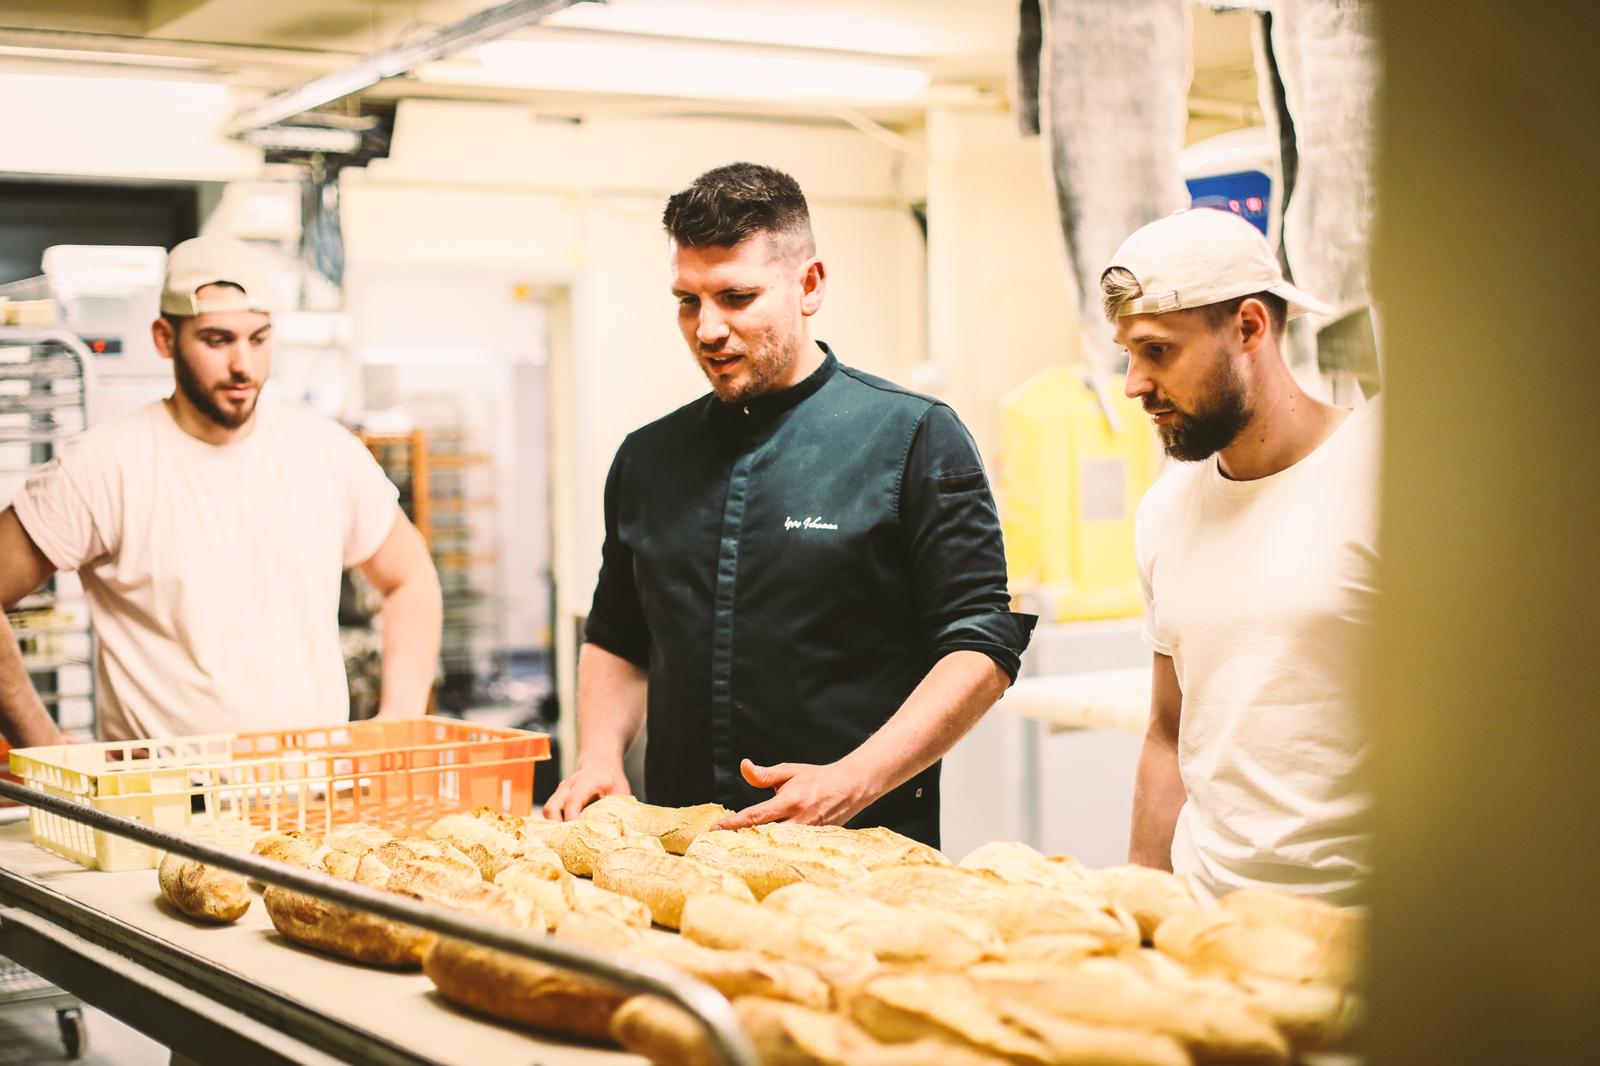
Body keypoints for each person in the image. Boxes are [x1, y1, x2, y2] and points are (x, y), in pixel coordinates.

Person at [543, 162, 1034, 846]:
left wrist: (853, 780)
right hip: (678, 850)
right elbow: (618, 640)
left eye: (737, 297)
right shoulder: (648, 458)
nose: (707, 329)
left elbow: (980, 645)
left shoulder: (914, 437)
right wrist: (599, 757)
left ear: (809, 285)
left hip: (862, 852)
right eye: (689, 301)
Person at [0, 236, 441, 746]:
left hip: (313, 804)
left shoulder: (326, 453)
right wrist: (43, 743)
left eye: (258, 339)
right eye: (217, 340)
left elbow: (410, 578)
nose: (243, 366)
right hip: (161, 812)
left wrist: (400, 722)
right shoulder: (103, 467)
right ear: (164, 338)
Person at [1105, 207, 1377, 904]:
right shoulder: (1166, 511)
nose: (1134, 383)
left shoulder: (1390, 480)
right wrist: (1143, 907)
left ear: (1250, 327)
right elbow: (1168, 734)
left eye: (1158, 351)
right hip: (1211, 922)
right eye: (1128, 354)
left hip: (1367, 926)